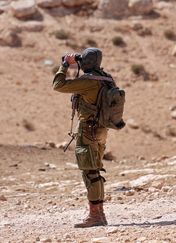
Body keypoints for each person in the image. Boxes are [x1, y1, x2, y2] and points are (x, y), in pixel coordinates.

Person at [52, 47, 113, 228]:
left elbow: (58, 85)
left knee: (90, 172)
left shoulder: (88, 81)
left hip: (88, 130)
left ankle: (95, 216)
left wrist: (64, 66)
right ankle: (99, 215)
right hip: (102, 130)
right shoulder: (107, 79)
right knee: (96, 170)